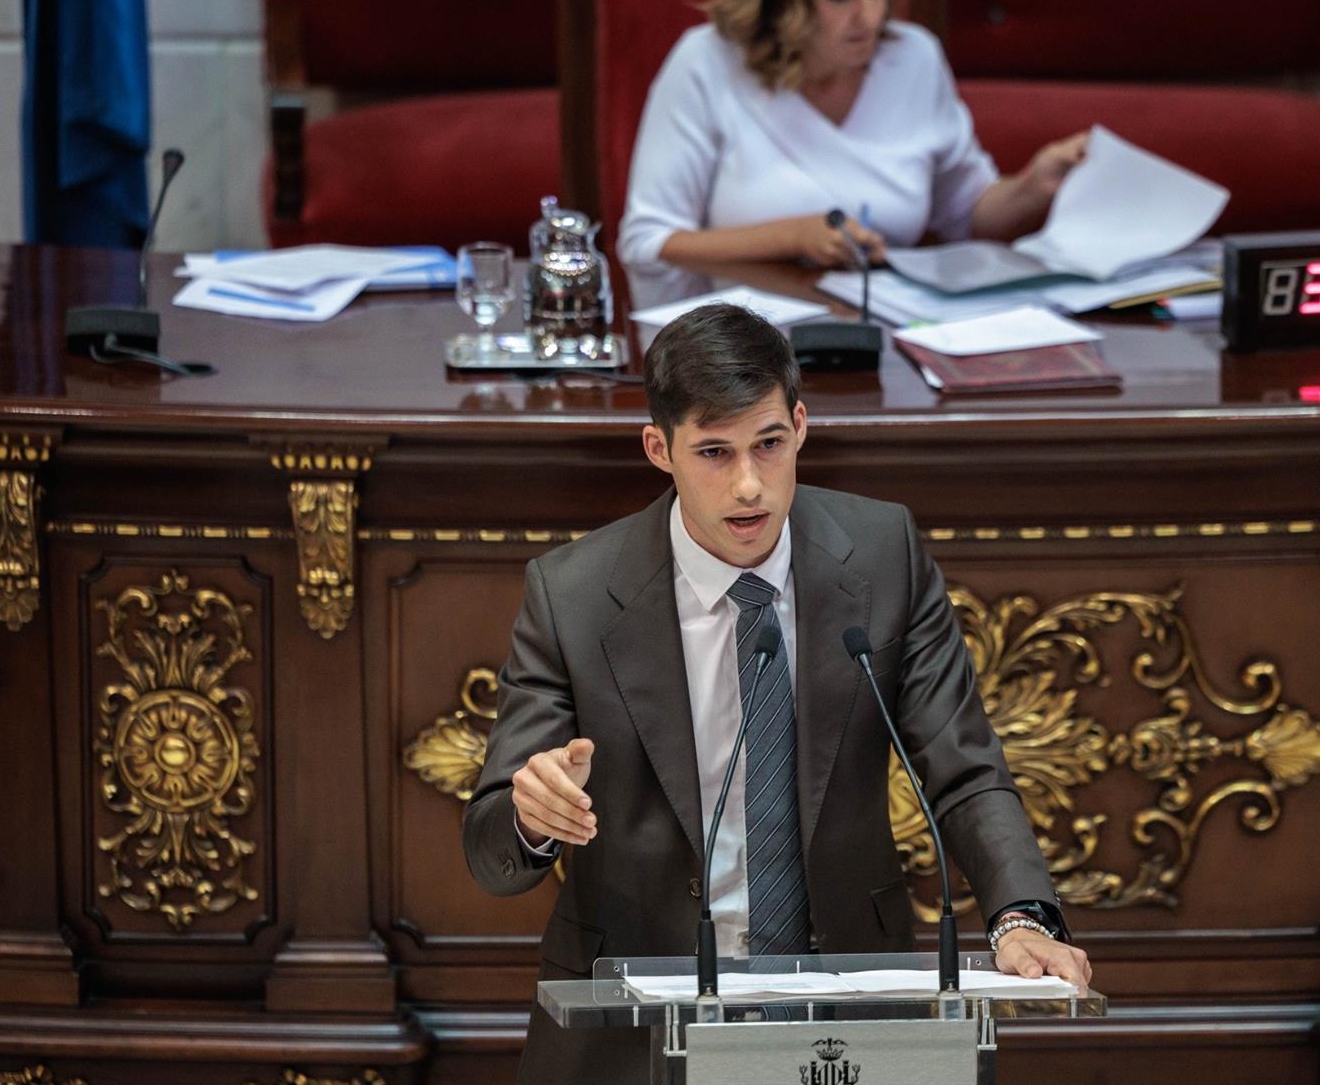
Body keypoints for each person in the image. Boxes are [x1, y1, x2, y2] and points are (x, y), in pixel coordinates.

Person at [463, 304, 1091, 1084]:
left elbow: (961, 768)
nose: (750, 485)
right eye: (714, 453)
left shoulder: (882, 554)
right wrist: (531, 816)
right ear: (659, 449)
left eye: (768, 443)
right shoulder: (574, 595)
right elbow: (494, 855)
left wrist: (1018, 915)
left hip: (852, 1000)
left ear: (800, 423)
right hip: (641, 1019)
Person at [615, 0, 1090, 308]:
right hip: (737, 352)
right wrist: (793, 237)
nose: (868, 14)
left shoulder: (914, 59)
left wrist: (1034, 186)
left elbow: (966, 213)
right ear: (781, 0)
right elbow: (648, 240)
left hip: (883, 340)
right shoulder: (706, 62)